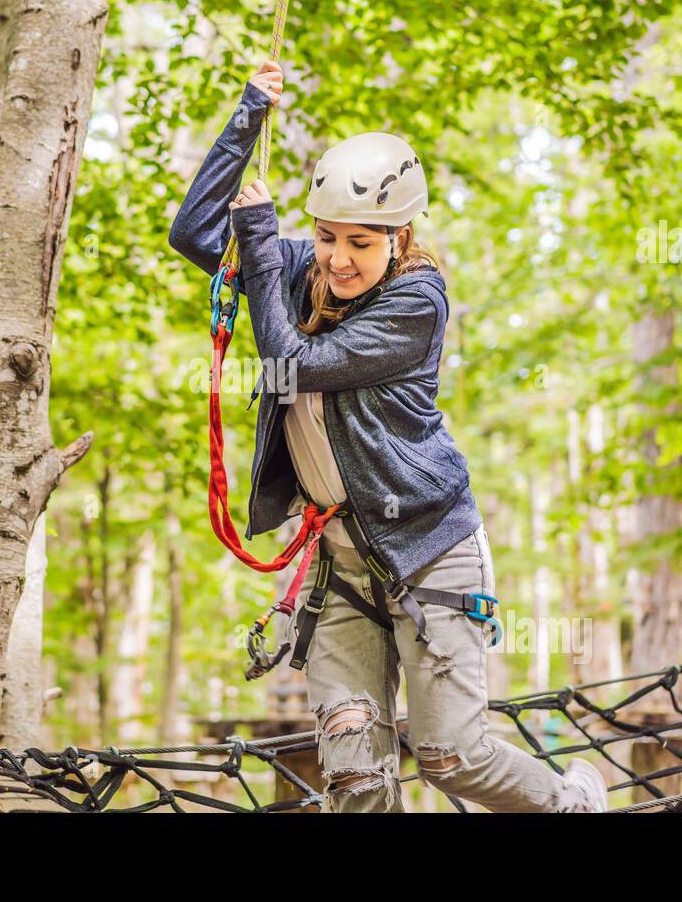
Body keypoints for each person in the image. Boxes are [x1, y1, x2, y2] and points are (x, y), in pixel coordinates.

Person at [169, 59, 609, 813]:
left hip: (429, 554)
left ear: (399, 236)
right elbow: (193, 232)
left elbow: (292, 362)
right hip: (340, 565)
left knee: (449, 757)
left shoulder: (417, 303)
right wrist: (249, 113)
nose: (338, 259)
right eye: (326, 236)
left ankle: (572, 801)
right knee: (353, 775)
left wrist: (265, 242)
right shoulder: (302, 269)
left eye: (361, 244)